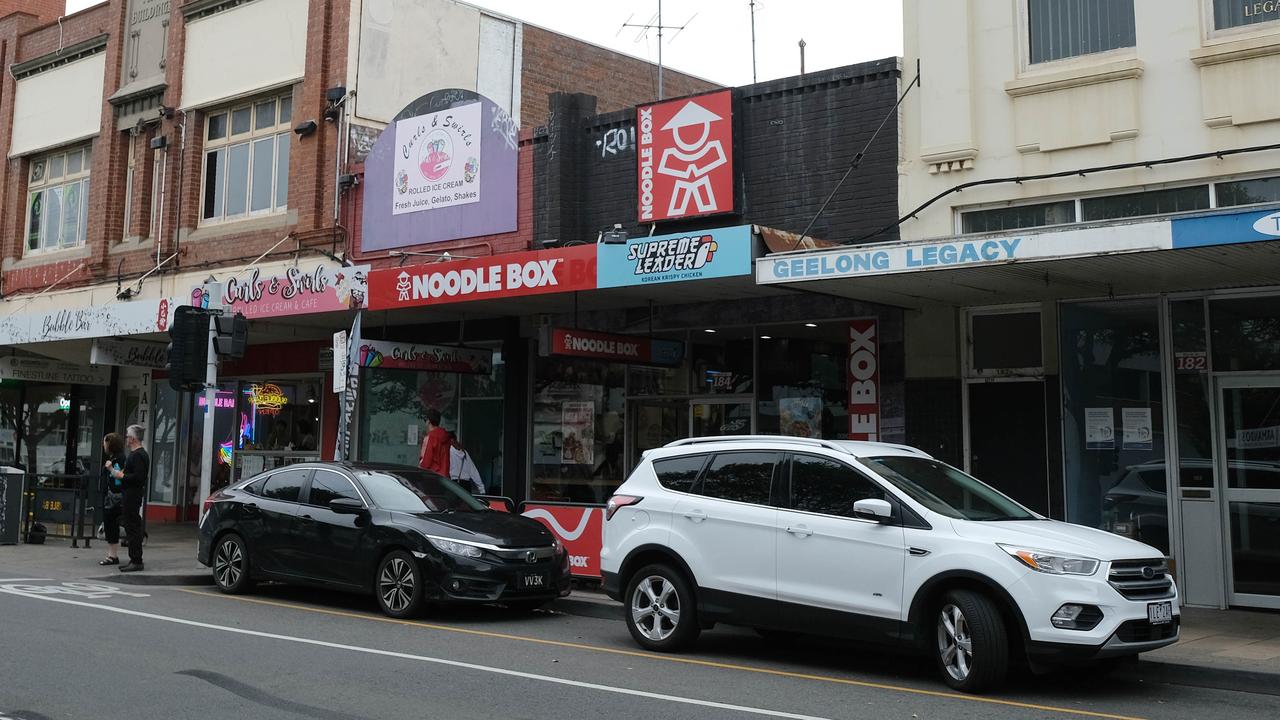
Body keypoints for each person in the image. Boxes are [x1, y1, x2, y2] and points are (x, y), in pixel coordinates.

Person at [109, 424, 149, 572]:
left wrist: (123, 476)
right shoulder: (136, 454)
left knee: (132, 527)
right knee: (131, 525)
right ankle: (134, 559)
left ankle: (136, 560)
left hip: (133, 494)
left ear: (132, 438)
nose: (126, 439)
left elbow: (139, 477)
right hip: (130, 494)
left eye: (127, 436)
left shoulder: (138, 455)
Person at [98, 433, 128, 566]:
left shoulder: (117, 460)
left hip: (113, 498)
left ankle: (112, 555)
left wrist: (110, 468)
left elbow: (117, 480)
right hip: (112, 497)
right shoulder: (115, 458)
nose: (103, 445)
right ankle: (112, 554)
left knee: (111, 525)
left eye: (105, 442)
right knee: (111, 525)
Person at [418, 408, 450, 477]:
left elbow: (426, 462)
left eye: (425, 420)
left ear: (428, 421)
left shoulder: (430, 437)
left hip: (432, 477)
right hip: (445, 478)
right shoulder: (446, 436)